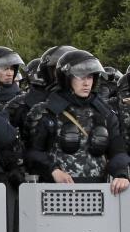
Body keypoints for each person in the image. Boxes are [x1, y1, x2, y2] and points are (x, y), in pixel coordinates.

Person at [25, 50, 130, 195]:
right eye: (80, 77)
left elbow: (117, 150)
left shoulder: (105, 112)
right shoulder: (46, 111)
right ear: (66, 78)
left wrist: (121, 174)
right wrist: (52, 170)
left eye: (90, 76)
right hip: (57, 193)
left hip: (99, 192)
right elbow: (32, 152)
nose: (86, 82)